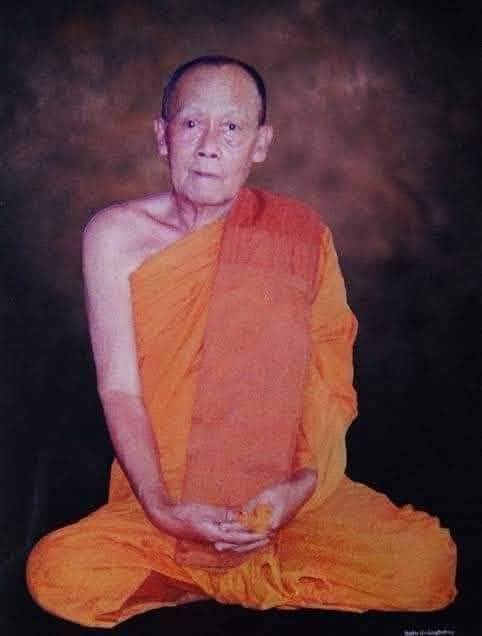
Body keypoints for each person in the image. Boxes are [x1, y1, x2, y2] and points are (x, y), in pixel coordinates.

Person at [26, 55, 457, 628]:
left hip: (282, 502)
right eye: (191, 123)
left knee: (427, 564)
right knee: (57, 573)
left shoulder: (301, 236)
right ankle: (220, 572)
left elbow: (327, 385)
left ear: (260, 144)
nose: (209, 145)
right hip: (166, 497)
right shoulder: (114, 236)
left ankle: (202, 580)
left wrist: (298, 488)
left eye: (231, 127)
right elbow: (120, 389)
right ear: (162, 136)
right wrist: (163, 508)